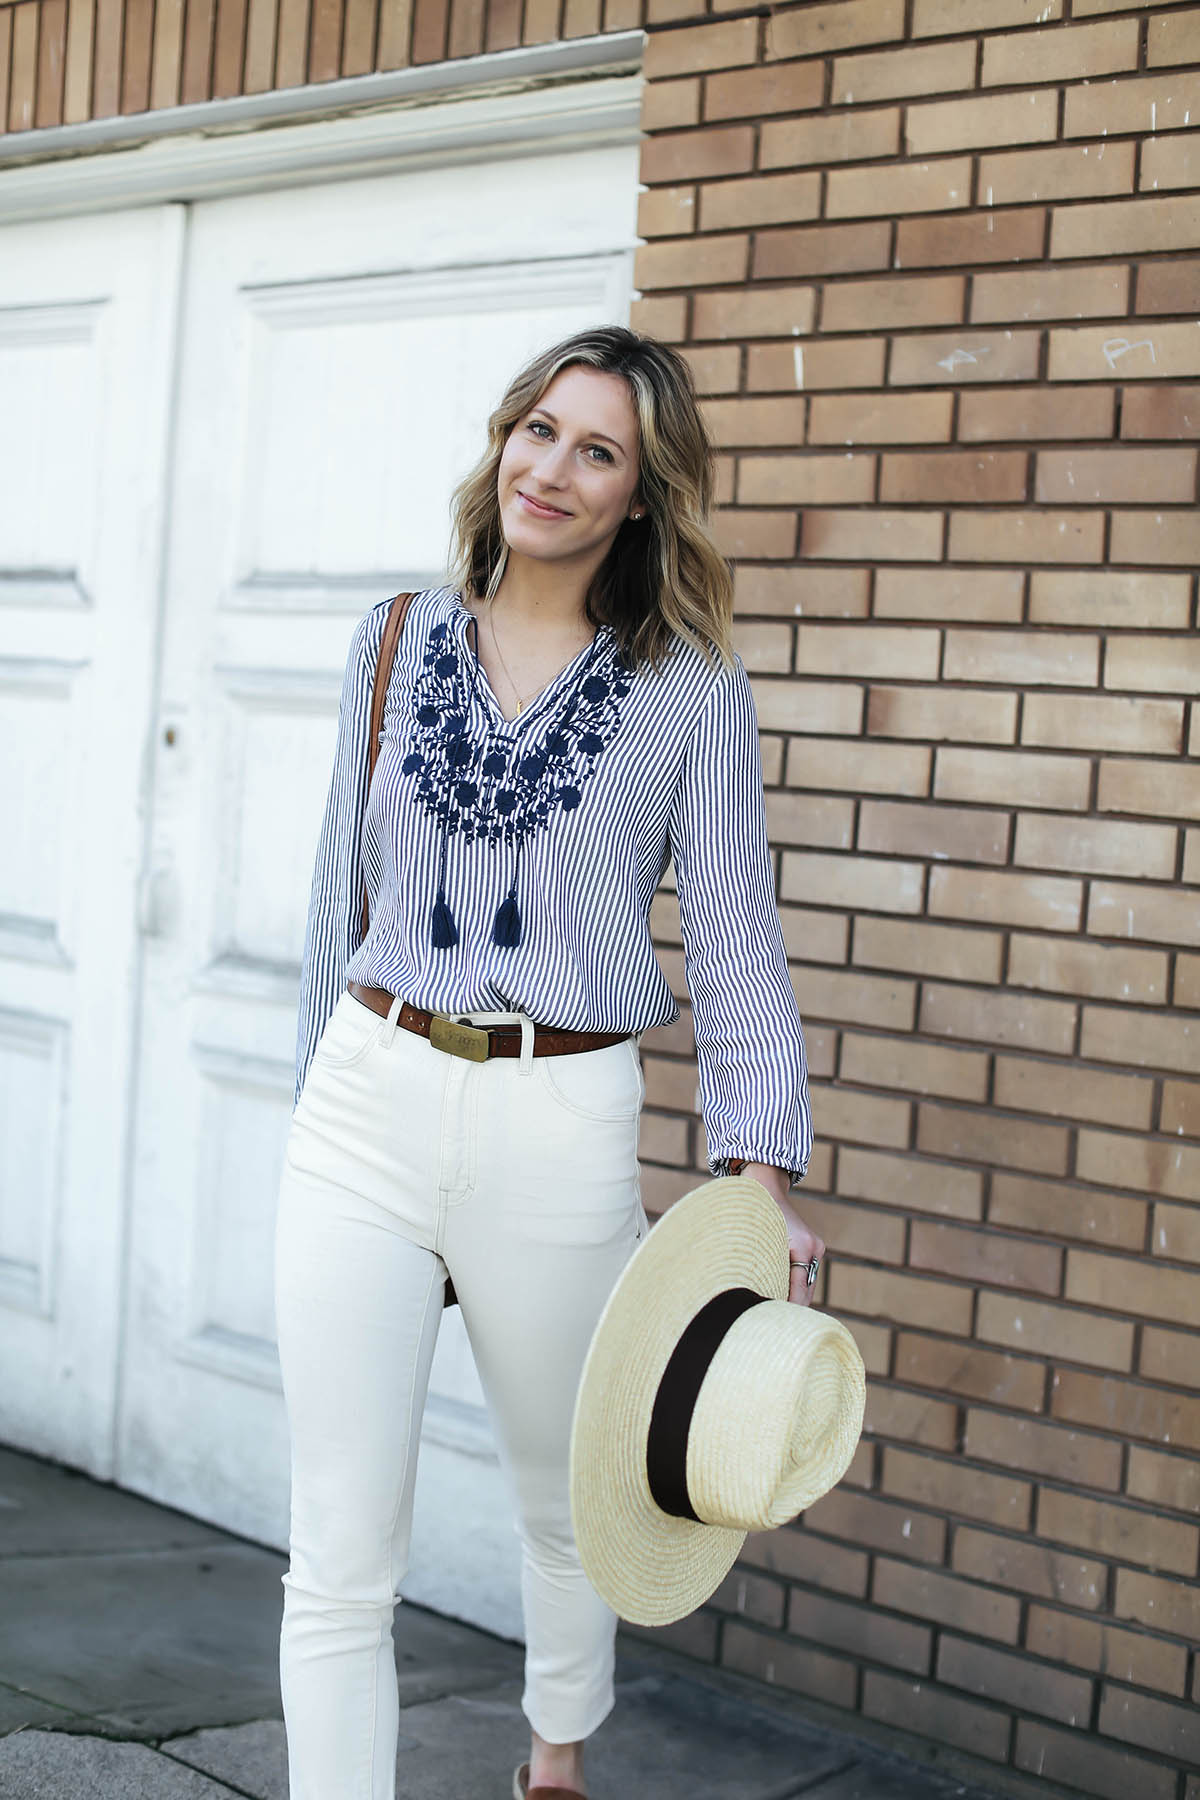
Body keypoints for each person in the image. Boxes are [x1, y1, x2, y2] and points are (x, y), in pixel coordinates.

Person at [273, 325, 821, 1800]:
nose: (553, 470)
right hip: (366, 1101)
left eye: (599, 453)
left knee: (567, 1500)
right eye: (539, 430)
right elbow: (340, 898)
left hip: (558, 1115)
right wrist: (309, 1112)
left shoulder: (689, 693)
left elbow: (736, 936)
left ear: (642, 498)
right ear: (501, 439)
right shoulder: (393, 639)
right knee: (339, 1549)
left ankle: (555, 1765)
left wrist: (756, 1172)